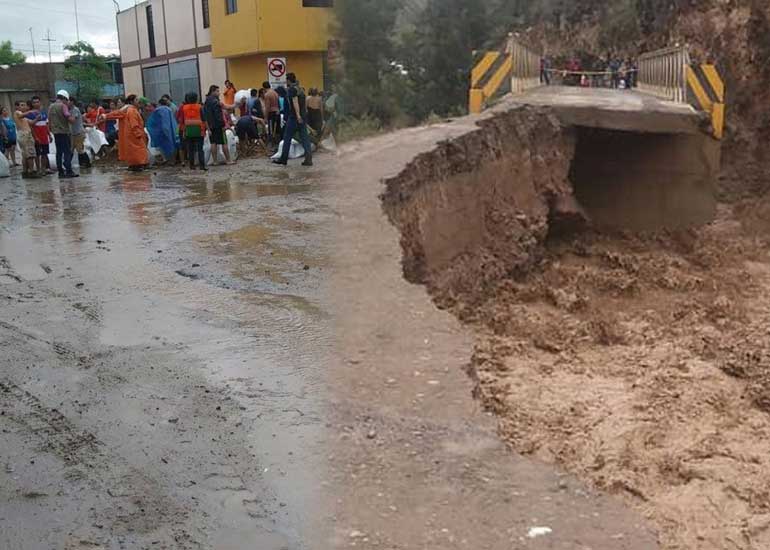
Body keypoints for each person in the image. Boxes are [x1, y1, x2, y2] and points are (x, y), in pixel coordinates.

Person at [274, 73, 312, 167]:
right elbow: (304, 103)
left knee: (287, 138)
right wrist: (302, 116)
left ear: (288, 80)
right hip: (303, 117)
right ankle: (308, 159)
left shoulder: (292, 89)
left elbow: (295, 102)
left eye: (286, 80)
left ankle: (283, 159)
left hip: (294, 117)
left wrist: (298, 116)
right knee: (305, 138)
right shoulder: (301, 89)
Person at [104, 94, 149, 171]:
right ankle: (139, 165)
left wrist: (105, 116)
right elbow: (134, 124)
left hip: (130, 134)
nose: (138, 101)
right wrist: (138, 134)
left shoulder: (129, 109)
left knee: (133, 151)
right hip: (134, 134)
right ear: (132, 101)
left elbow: (116, 114)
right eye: (136, 100)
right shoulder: (132, 110)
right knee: (139, 150)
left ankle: (135, 165)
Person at [47, 89, 78, 178]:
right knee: (67, 151)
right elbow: (69, 118)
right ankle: (69, 170)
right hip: (64, 132)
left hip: (56, 133)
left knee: (59, 152)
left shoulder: (51, 106)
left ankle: (60, 172)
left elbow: (49, 120)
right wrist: (74, 118)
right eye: (67, 100)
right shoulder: (63, 106)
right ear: (64, 98)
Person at [203, 85, 233, 165]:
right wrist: (223, 124)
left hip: (210, 125)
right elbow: (218, 115)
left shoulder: (206, 101)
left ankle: (215, 161)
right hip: (218, 125)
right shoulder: (215, 102)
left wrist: (208, 127)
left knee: (213, 143)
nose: (219, 93)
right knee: (224, 142)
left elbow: (205, 115)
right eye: (217, 91)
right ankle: (228, 160)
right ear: (213, 91)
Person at [178, 92, 207, 171]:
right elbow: (204, 119)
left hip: (189, 131)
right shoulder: (200, 107)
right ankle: (202, 166)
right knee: (200, 149)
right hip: (199, 130)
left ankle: (192, 166)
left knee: (190, 149)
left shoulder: (184, 108)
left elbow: (182, 121)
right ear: (196, 98)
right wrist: (207, 129)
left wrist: (183, 131)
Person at [26, 96, 53, 176]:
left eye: (37, 102)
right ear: (32, 104)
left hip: (44, 137)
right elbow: (31, 127)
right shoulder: (30, 114)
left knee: (44, 154)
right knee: (37, 154)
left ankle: (43, 169)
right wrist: (35, 137)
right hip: (36, 138)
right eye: (34, 102)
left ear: (40, 102)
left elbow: (46, 125)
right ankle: (38, 170)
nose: (36, 104)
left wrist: (49, 135)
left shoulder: (44, 113)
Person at [147, 96, 178, 164]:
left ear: (159, 103)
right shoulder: (168, 110)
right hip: (170, 131)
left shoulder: (159, 111)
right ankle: (172, 161)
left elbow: (153, 122)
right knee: (172, 145)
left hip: (162, 132)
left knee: (164, 147)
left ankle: (169, 161)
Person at [13, 101, 38, 178]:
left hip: (26, 135)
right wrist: (31, 111)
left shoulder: (25, 117)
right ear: (18, 107)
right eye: (21, 105)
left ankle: (25, 171)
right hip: (24, 135)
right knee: (29, 154)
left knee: (25, 155)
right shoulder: (17, 113)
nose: (23, 107)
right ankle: (31, 171)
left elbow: (32, 123)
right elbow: (21, 116)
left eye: (24, 105)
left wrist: (37, 118)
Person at [68, 96, 90, 169]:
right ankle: (68, 164)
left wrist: (65, 116)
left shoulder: (75, 110)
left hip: (78, 132)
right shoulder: (69, 110)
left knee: (79, 149)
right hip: (73, 133)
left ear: (72, 102)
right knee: (71, 149)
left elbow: (73, 120)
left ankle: (87, 163)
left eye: (68, 101)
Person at [262, 81, 281, 146]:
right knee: (277, 130)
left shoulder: (267, 94)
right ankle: (278, 144)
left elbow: (267, 107)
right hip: (277, 112)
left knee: (271, 130)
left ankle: (272, 145)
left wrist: (265, 117)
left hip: (271, 113)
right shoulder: (275, 93)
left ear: (264, 88)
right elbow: (278, 104)